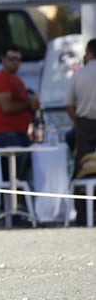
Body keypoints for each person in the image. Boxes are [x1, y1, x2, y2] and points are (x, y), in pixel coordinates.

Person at [0, 44, 39, 180]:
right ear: (3, 59)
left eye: (18, 59)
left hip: (20, 133)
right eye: (11, 59)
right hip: (8, 135)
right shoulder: (2, 79)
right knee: (13, 177)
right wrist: (28, 103)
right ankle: (11, 200)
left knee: (20, 176)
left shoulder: (17, 80)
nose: (15, 62)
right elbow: (6, 107)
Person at [65, 38, 96, 224]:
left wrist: (78, 121)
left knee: (82, 171)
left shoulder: (79, 74)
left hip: (85, 126)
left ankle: (82, 215)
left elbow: (68, 104)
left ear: (89, 54)